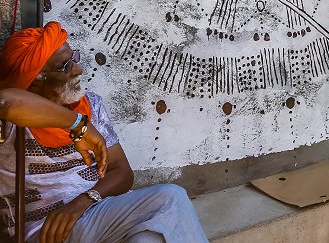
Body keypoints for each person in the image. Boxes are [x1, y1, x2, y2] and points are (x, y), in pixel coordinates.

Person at [0, 22, 209, 243]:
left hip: (97, 214)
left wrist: (84, 201)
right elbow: (6, 101)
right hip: (47, 230)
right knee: (170, 198)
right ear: (35, 80)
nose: (78, 69)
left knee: (150, 239)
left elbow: (123, 172)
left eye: (75, 58)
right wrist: (79, 125)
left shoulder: (90, 105)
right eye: (65, 66)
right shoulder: (10, 123)